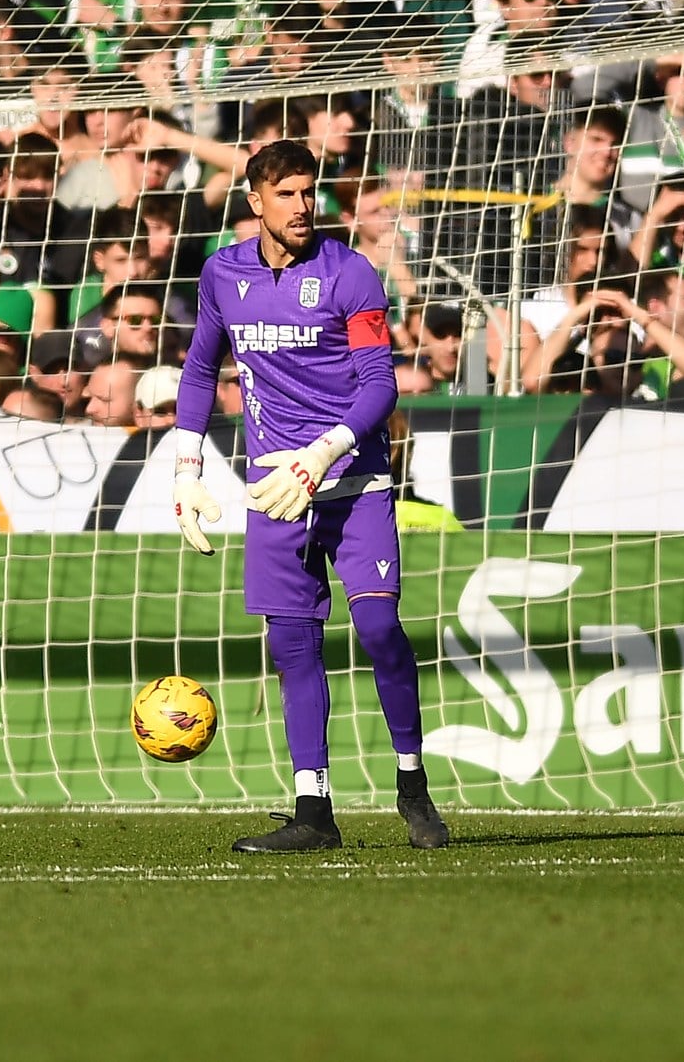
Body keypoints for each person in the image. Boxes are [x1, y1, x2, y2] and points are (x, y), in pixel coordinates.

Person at [170, 139, 448, 854]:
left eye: (308, 192)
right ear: (255, 201)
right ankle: (313, 808)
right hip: (274, 491)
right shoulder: (222, 275)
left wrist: (319, 459)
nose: (302, 206)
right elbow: (201, 370)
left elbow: (381, 386)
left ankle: (412, 785)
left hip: (351, 484)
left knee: (379, 630)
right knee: (293, 645)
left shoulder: (350, 274)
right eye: (286, 194)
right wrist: (186, 469)